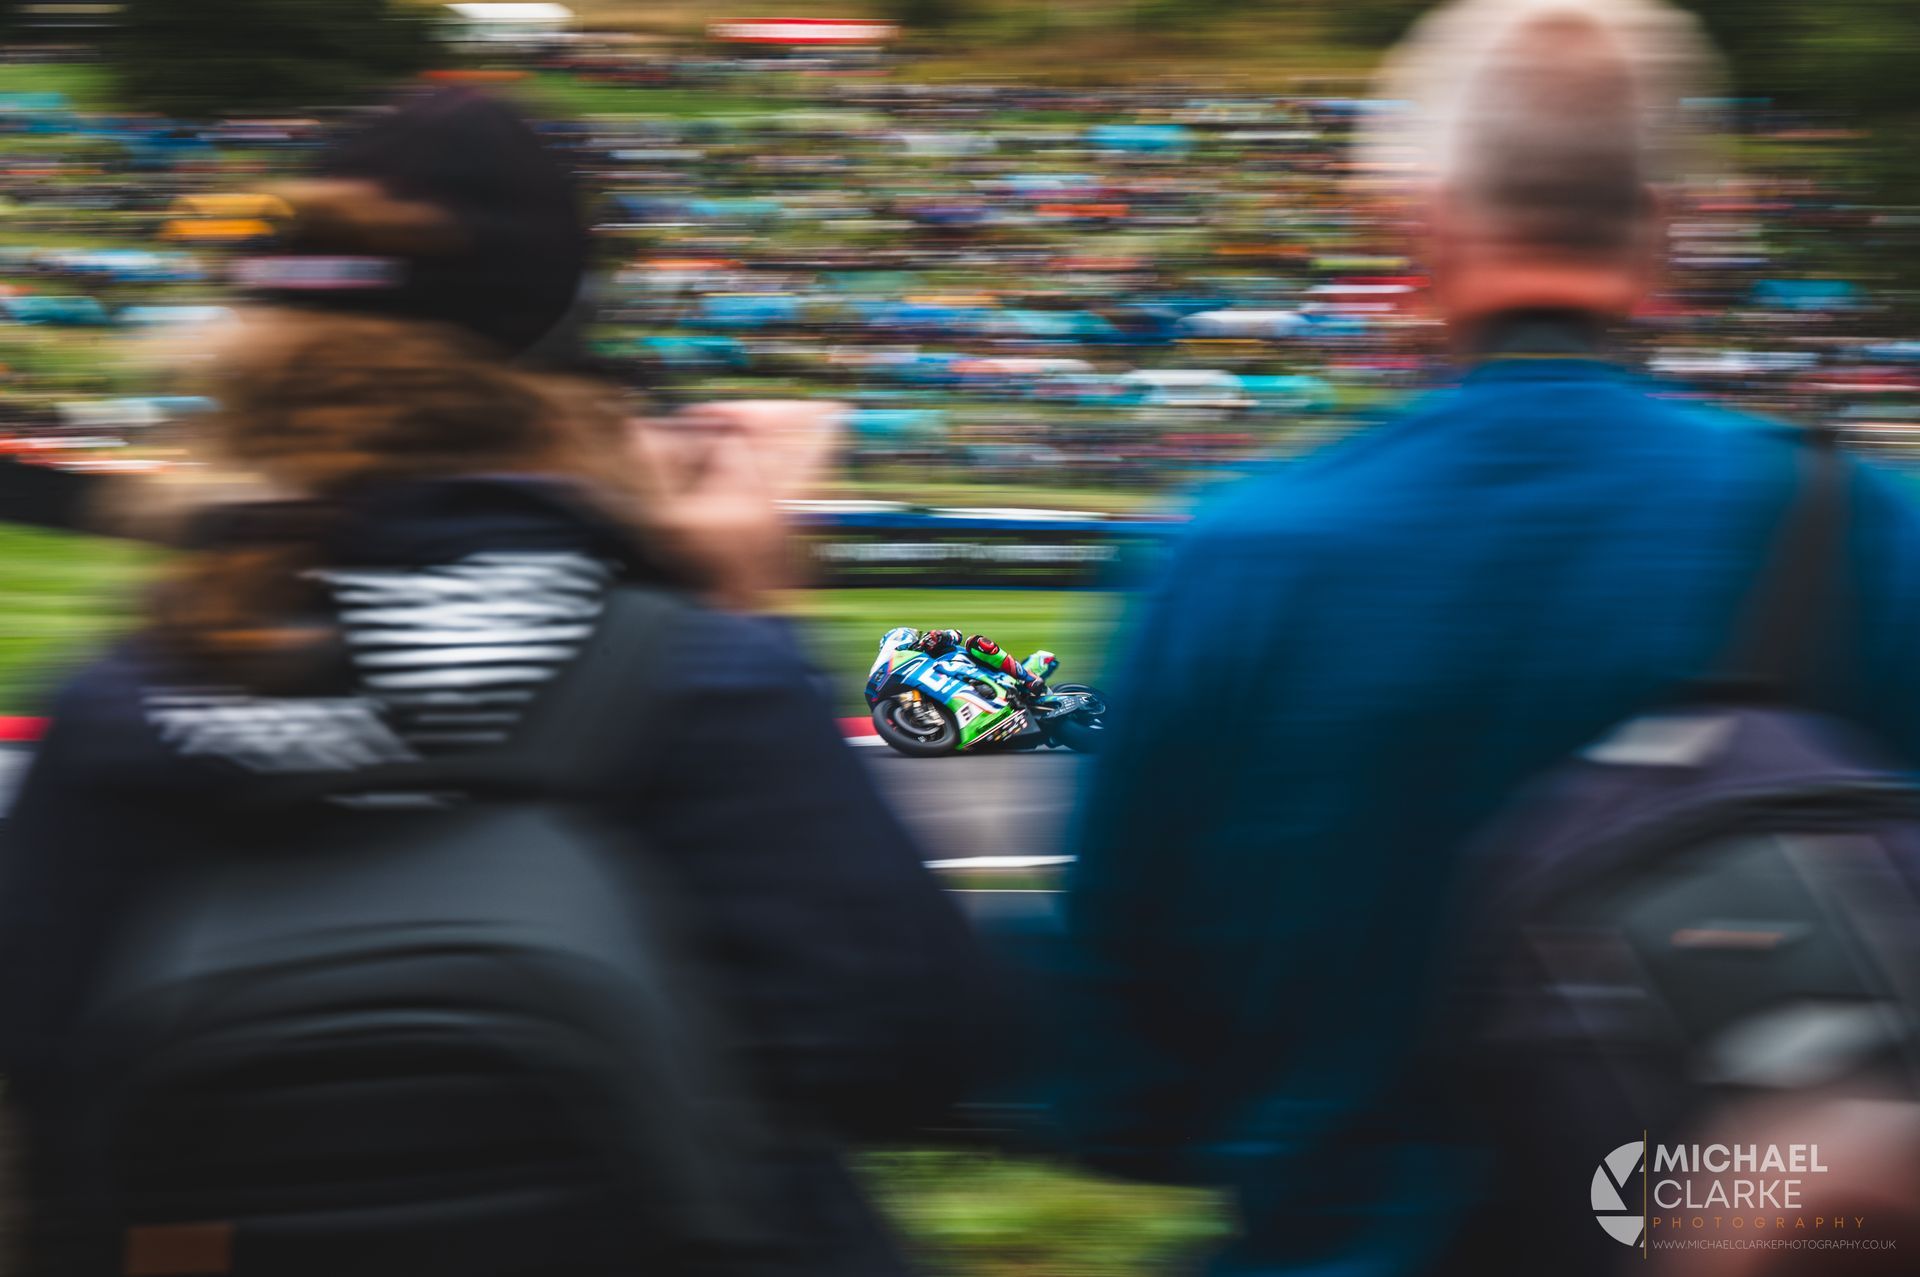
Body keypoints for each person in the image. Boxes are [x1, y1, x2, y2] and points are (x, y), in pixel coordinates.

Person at [0, 90, 987, 1275]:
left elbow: (48, 1092)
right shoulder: (706, 670)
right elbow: (916, 1050)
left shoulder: (119, 703)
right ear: (569, 366)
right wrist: (754, 607)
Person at [1056, 2, 1920, 1274]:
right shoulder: (1865, 530)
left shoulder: (1226, 558)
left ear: (1414, 227)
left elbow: (1117, 1093)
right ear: (1673, 229)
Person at [890, 628, 1054, 696]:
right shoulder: (911, 670)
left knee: (975, 642)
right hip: (954, 686)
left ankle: (1028, 677)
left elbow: (957, 634)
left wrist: (940, 636)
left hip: (978, 667)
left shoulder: (930, 642)